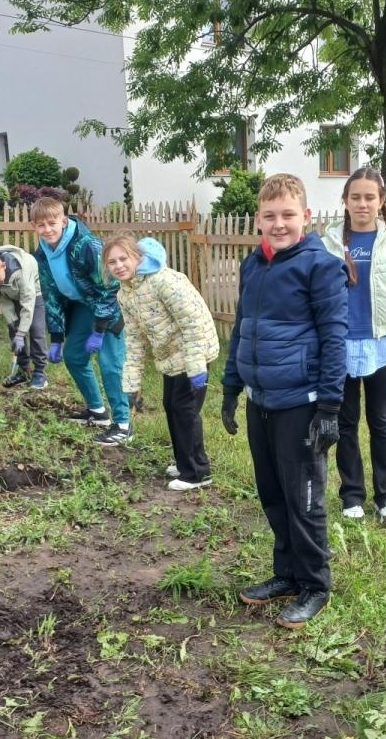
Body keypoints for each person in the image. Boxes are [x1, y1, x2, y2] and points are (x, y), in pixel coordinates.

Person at [221, 173, 348, 628]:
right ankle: (287, 574)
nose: (279, 224)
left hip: (301, 401)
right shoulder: (253, 265)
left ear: (306, 217)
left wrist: (330, 406)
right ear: (258, 218)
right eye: (270, 216)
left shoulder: (321, 265)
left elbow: (336, 337)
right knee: (273, 492)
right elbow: (242, 327)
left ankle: (315, 584)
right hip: (262, 399)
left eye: (288, 215)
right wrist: (232, 387)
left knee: (304, 497)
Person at [322, 167, 386, 523]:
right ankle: (351, 494)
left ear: (381, 202)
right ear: (345, 202)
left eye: (370, 197)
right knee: (345, 422)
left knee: (380, 421)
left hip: (381, 345)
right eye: (355, 197)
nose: (362, 203)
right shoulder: (329, 241)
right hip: (342, 347)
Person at [103, 231, 219, 490]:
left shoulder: (163, 281)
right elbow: (133, 340)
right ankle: (183, 461)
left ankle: (198, 473)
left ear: (137, 257)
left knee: (185, 410)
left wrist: (197, 365)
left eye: (124, 258)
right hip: (170, 357)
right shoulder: (125, 293)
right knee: (171, 405)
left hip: (194, 351)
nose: (119, 266)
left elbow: (193, 322)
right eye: (112, 262)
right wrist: (131, 384)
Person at [31, 195, 130, 445]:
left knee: (110, 365)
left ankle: (123, 424)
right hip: (83, 306)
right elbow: (51, 294)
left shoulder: (87, 245)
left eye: (52, 223)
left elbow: (110, 287)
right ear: (34, 226)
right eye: (41, 225)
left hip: (111, 307)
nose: (47, 229)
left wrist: (99, 330)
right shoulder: (42, 254)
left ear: (63, 221)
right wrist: (56, 337)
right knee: (74, 356)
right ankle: (98, 413)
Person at [0, 247, 48, 390]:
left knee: (35, 329)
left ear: (3, 266)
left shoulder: (22, 272)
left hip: (34, 294)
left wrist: (22, 333)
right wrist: (14, 325)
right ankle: (23, 369)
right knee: (13, 331)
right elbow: (4, 301)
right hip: (12, 297)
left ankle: (40, 372)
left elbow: (28, 304)